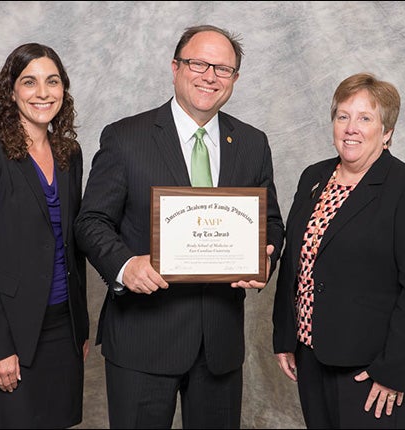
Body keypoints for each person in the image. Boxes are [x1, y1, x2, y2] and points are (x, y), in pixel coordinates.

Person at [74, 25, 285, 429]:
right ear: (175, 67)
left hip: (219, 347)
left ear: (235, 79)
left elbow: (270, 222)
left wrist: (264, 258)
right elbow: (92, 220)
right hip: (143, 342)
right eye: (198, 63)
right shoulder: (125, 138)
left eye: (223, 69)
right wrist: (124, 266)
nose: (210, 76)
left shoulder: (252, 143)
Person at [272, 72, 405, 429]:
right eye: (343, 116)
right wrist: (285, 336)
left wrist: (393, 370)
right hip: (311, 357)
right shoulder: (313, 177)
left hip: (372, 370)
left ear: (387, 132)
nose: (351, 128)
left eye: (365, 118)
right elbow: (296, 263)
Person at [0, 42, 89, 429]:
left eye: (52, 81)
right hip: (7, 331)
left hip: (63, 328)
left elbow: (72, 243)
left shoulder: (70, 153)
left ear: (64, 89)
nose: (43, 93)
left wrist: (80, 325)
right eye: (29, 82)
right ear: (11, 91)